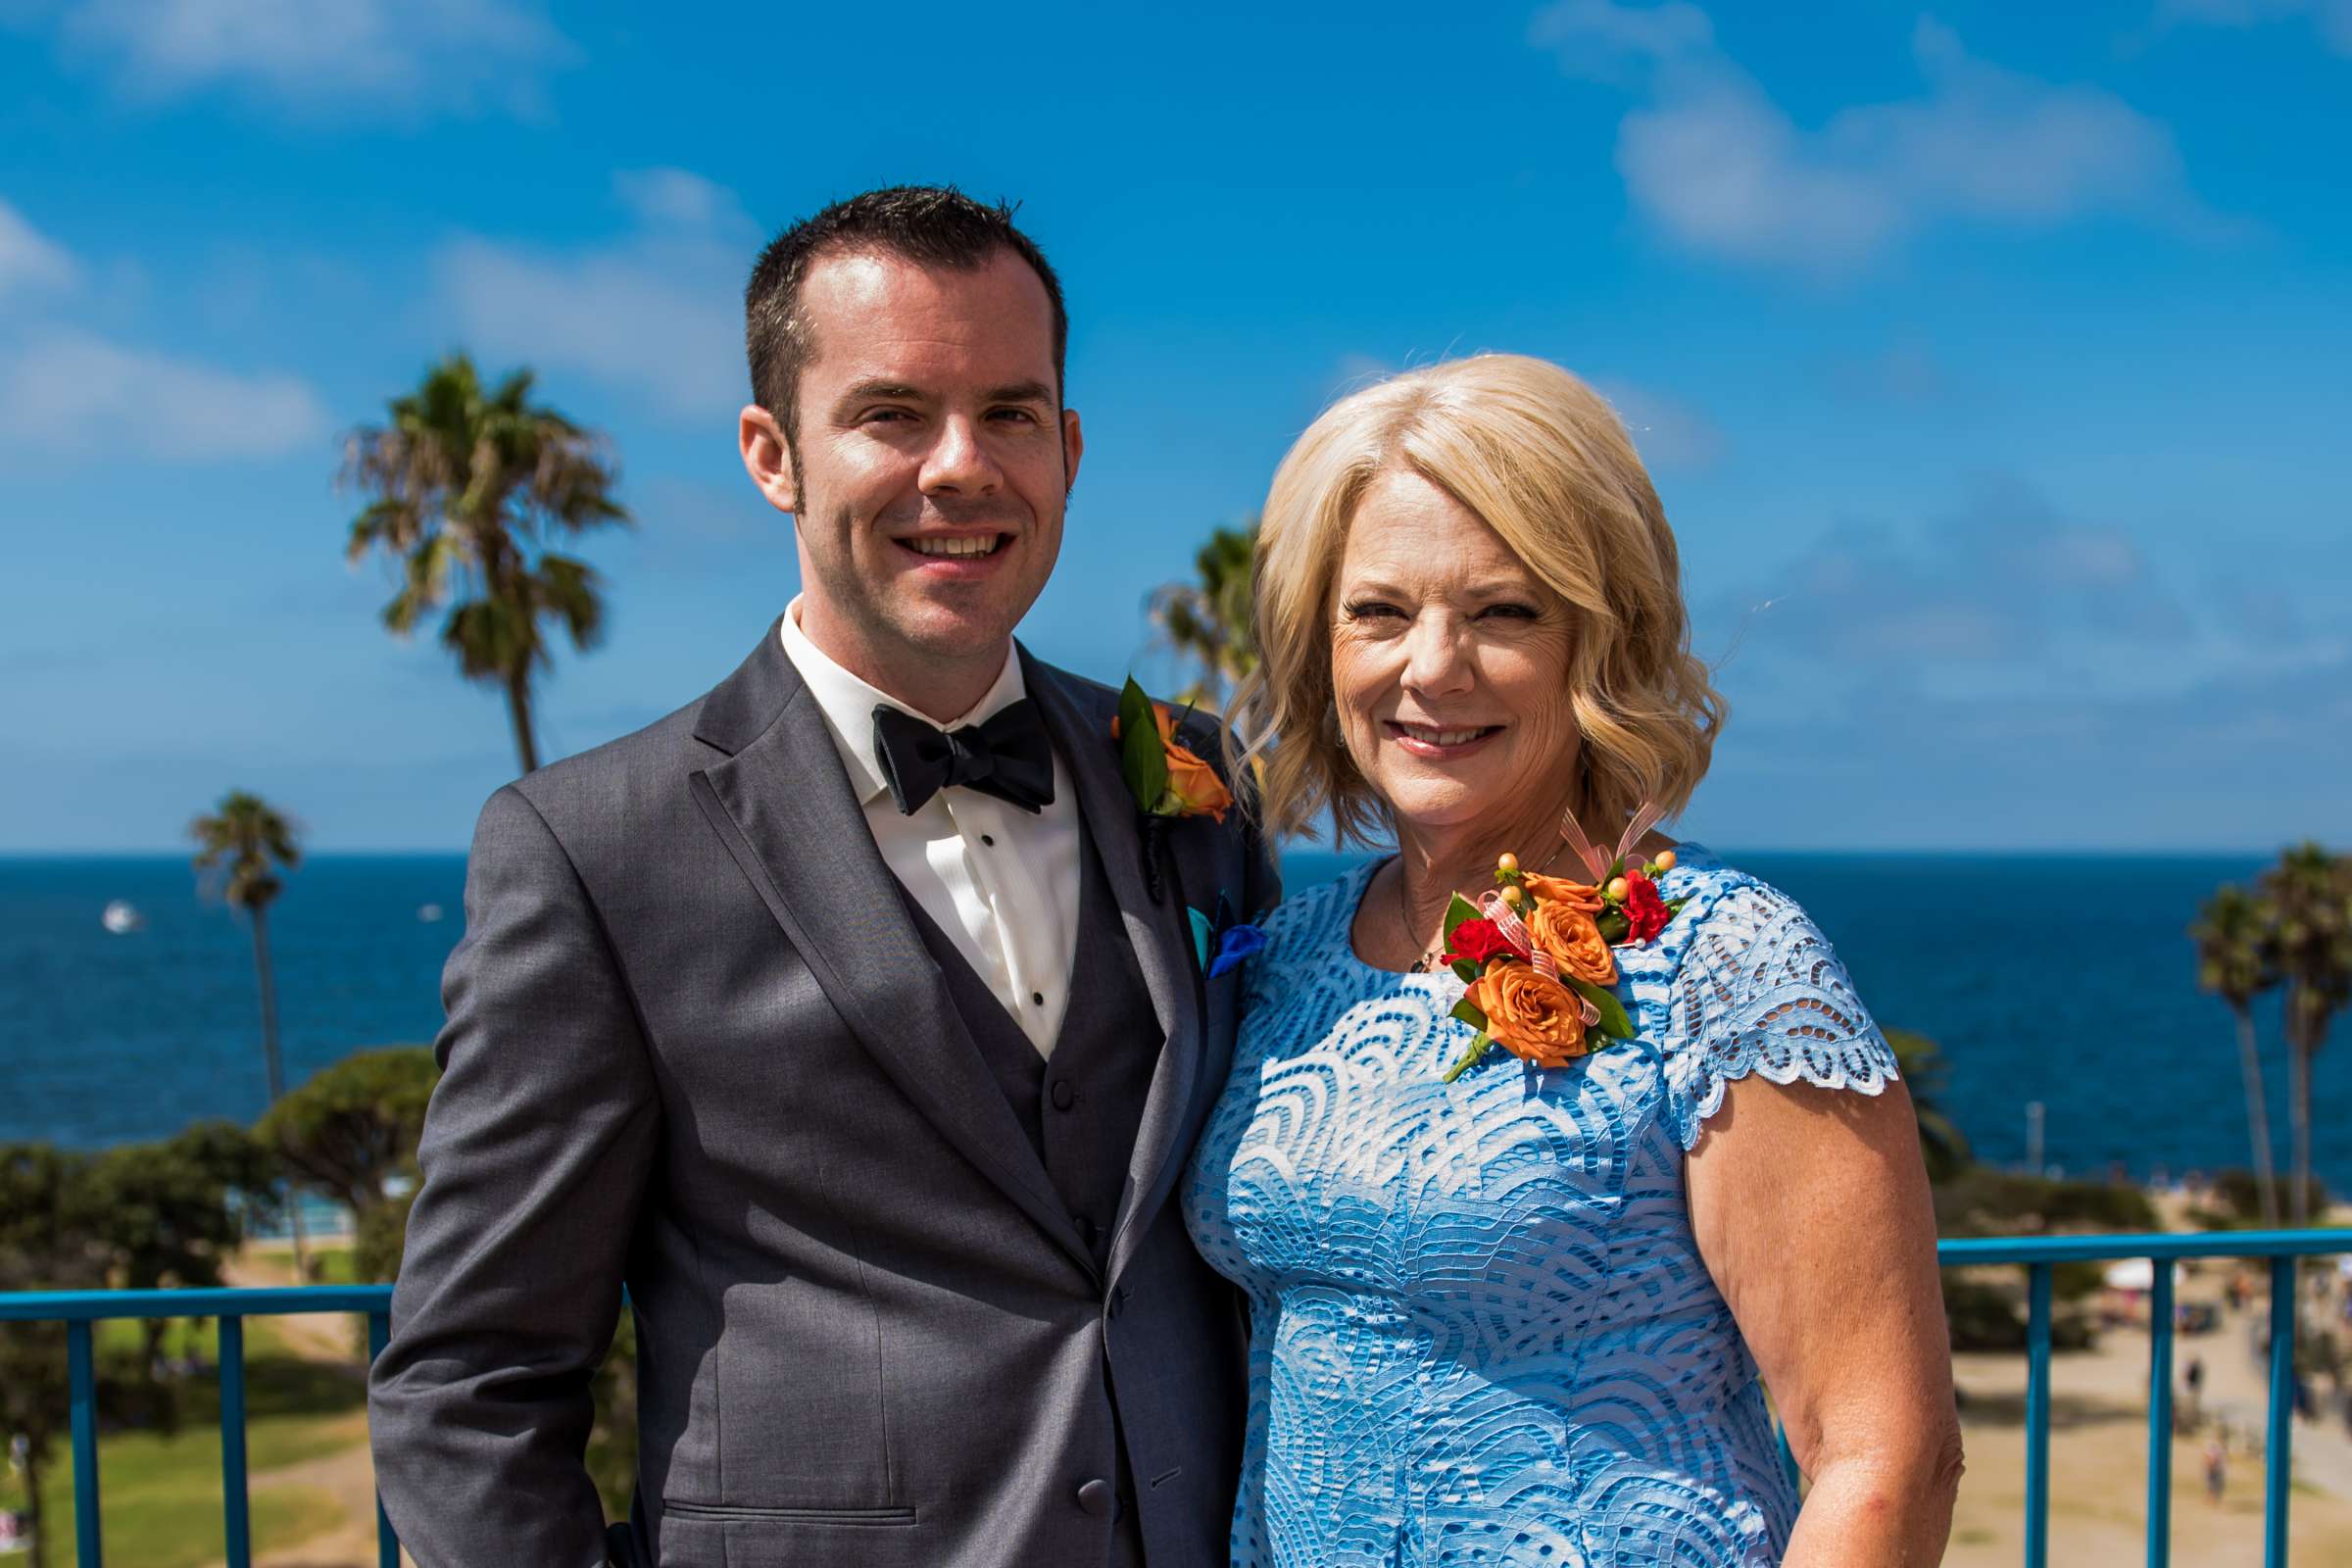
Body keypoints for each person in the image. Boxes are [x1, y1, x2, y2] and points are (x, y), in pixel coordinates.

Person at [368, 187, 1277, 1567]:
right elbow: (470, 1385)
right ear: (772, 453)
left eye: (1011, 413)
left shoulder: (1192, 778)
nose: (961, 467)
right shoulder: (594, 849)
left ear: (1071, 448)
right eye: (893, 415)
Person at [1183, 355, 1963, 1564]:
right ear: (1318, 644)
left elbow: (1885, 1457)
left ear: (1597, 637)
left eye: (1503, 611)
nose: (1431, 667)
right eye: (1380, 611)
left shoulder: (1722, 959)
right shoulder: (1283, 959)